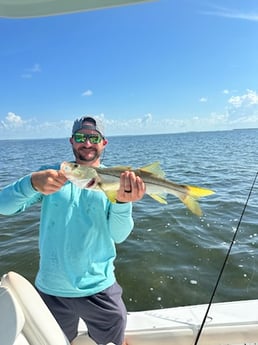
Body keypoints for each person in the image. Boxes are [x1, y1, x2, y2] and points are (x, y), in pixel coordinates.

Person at [0, 116, 145, 345]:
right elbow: (3, 207)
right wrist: (30, 183)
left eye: (93, 137)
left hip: (100, 287)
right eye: (80, 137)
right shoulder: (50, 175)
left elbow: (119, 235)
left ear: (103, 142)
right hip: (51, 289)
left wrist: (123, 203)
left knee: (114, 339)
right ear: (71, 141)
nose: (86, 143)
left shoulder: (113, 180)